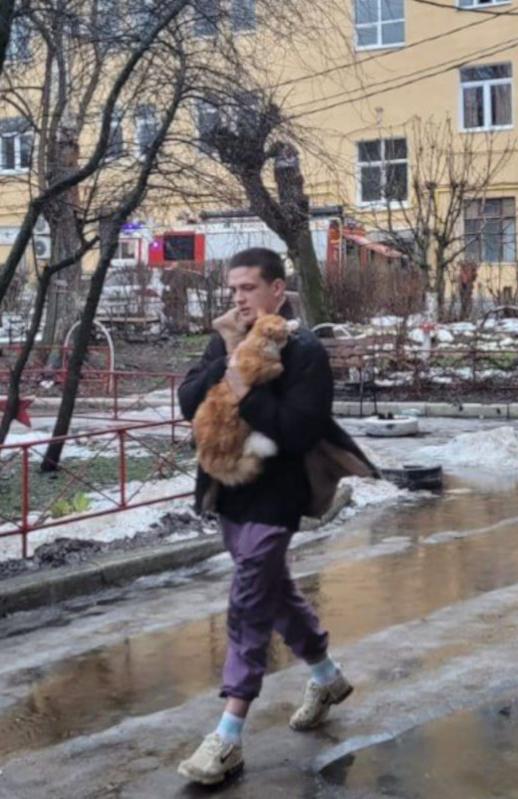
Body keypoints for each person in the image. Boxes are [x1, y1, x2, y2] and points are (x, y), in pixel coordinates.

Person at [175, 248, 377, 786]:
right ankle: (326, 676)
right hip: (230, 490)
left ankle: (228, 735)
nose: (237, 298)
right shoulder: (224, 340)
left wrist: (245, 389)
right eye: (233, 289)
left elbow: (300, 430)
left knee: (247, 601)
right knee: (272, 589)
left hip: (279, 494)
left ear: (277, 292)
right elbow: (187, 400)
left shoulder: (304, 350)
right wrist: (225, 353)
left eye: (247, 288)